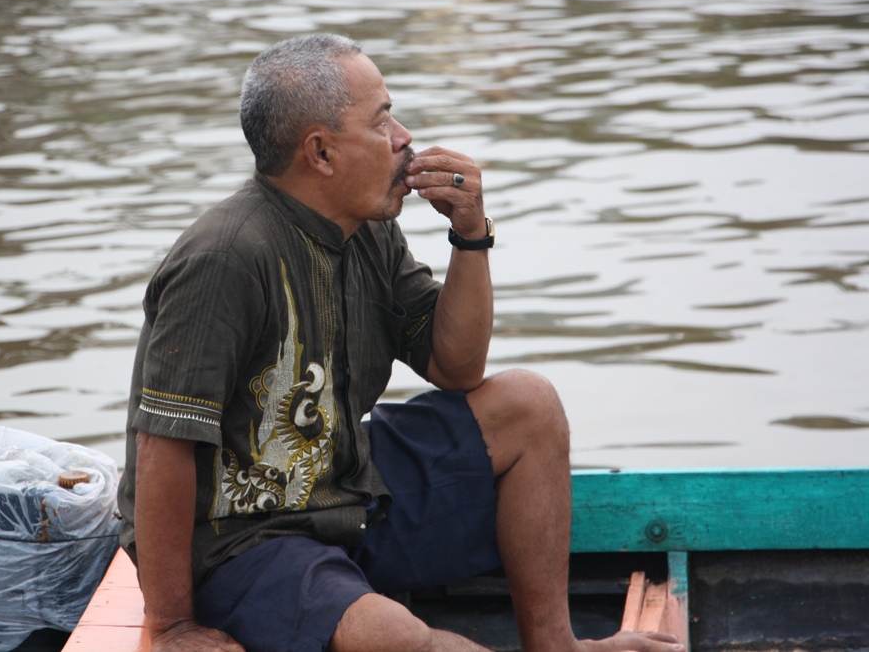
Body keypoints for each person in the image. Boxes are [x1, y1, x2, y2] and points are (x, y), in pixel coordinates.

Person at [117, 34, 683, 652]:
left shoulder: (366, 231)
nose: (405, 137)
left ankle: (556, 646)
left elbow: (455, 366)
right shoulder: (225, 258)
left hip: (341, 479)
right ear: (321, 153)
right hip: (240, 536)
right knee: (400, 639)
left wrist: (471, 235)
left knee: (529, 405)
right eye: (382, 119)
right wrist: (172, 626)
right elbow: (163, 447)